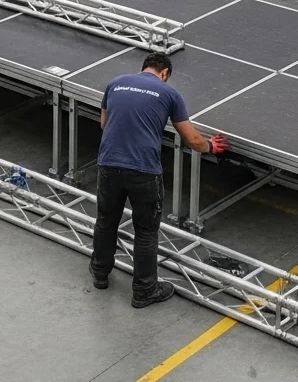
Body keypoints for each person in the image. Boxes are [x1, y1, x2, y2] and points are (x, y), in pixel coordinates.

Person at [90, 53, 228, 308]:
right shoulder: (168, 93)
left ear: (144, 68)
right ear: (164, 73)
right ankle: (144, 290)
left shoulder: (115, 83)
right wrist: (211, 146)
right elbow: (192, 140)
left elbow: (104, 124)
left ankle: (100, 273)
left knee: (106, 220)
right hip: (143, 170)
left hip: (108, 164)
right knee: (145, 231)